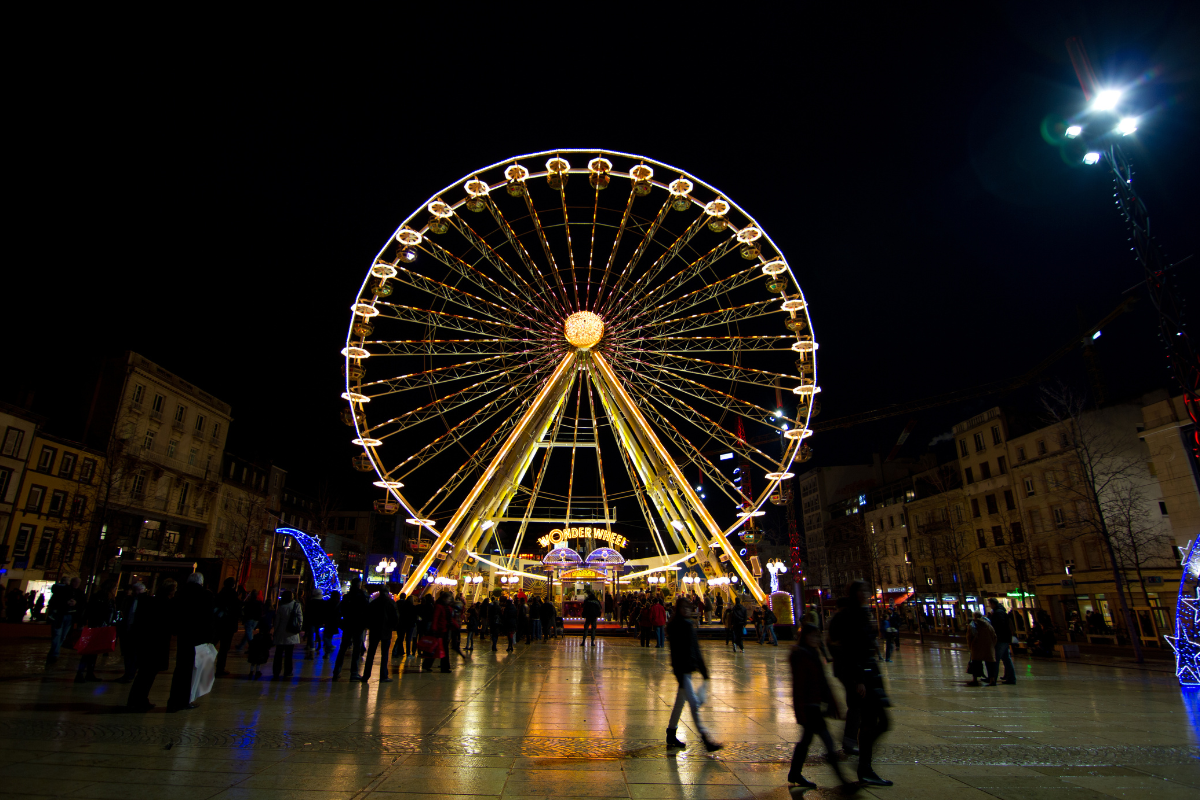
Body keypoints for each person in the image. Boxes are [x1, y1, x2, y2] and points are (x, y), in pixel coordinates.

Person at [828, 580, 892, 787]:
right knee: (878, 721)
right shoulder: (852, 616)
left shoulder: (862, 614)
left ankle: (864, 765)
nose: (867, 593)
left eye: (867, 590)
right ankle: (864, 765)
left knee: (872, 721)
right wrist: (858, 679)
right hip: (863, 675)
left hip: (869, 674)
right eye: (863, 591)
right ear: (855, 594)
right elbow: (851, 649)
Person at [788, 624, 851, 790]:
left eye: (818, 636)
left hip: (815, 705)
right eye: (813, 636)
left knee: (806, 741)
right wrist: (800, 712)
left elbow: (823, 681)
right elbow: (799, 686)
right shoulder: (800, 655)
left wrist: (832, 702)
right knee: (827, 743)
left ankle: (795, 773)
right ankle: (843, 780)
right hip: (809, 707)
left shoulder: (812, 654)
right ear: (805, 637)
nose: (816, 639)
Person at [665, 598, 722, 752]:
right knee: (694, 705)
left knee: (680, 703)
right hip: (682, 670)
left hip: (688, 669)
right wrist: (679, 670)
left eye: (688, 608)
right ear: (678, 609)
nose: (687, 610)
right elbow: (676, 652)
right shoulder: (676, 626)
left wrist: (703, 669)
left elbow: (695, 648)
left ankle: (671, 733)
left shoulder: (688, 626)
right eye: (683, 607)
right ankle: (706, 739)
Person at [167, 573, 216, 712]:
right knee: (193, 670)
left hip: (184, 635)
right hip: (198, 637)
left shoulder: (181, 594)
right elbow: (209, 618)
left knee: (181, 667)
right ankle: (185, 699)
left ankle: (174, 699)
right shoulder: (205, 595)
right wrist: (209, 638)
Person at [126, 579, 177, 711]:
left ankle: (137, 699)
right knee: (147, 674)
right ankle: (138, 700)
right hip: (156, 644)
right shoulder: (165, 604)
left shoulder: (151, 601)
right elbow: (170, 625)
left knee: (144, 674)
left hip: (147, 643)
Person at [75, 579, 118, 683]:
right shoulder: (102, 598)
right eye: (115, 587)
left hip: (99, 626)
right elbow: (93, 611)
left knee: (93, 652)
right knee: (89, 652)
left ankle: (88, 673)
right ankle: (81, 674)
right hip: (96, 626)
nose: (116, 589)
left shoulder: (106, 598)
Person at [332, 578, 368, 680]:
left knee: (343, 648)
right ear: (359, 585)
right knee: (356, 649)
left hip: (348, 624)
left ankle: (336, 671)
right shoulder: (362, 596)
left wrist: (343, 621)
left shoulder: (347, 596)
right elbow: (366, 610)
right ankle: (354, 673)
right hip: (358, 624)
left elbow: (340, 610)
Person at [362, 585, 398, 682]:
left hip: (374, 630)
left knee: (371, 653)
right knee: (385, 654)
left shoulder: (374, 603)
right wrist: (392, 627)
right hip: (386, 630)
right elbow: (395, 617)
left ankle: (366, 675)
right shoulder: (391, 603)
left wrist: (369, 626)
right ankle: (383, 675)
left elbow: (367, 616)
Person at [45, 577, 85, 663]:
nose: (77, 584)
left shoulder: (79, 593)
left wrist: (76, 604)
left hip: (70, 616)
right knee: (57, 634)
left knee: (62, 636)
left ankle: (54, 652)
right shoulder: (63, 590)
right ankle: (54, 654)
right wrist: (65, 603)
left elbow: (82, 605)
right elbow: (55, 601)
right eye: (76, 582)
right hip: (61, 615)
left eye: (78, 582)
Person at [116, 582, 148, 682]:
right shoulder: (129, 600)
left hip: (136, 631)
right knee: (127, 653)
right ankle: (128, 673)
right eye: (136, 590)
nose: (137, 592)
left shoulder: (145, 601)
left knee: (133, 654)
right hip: (128, 629)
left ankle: (130, 673)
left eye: (139, 590)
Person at [273, 590, 303, 679]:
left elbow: (277, 621)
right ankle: (288, 671)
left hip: (281, 631)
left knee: (278, 654)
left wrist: (275, 631)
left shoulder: (281, 606)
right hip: (291, 631)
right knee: (289, 654)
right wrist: (299, 627)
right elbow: (300, 618)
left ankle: (276, 671)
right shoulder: (296, 605)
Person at [214, 577, 241, 676]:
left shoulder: (219, 594)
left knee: (212, 645)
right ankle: (220, 668)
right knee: (224, 649)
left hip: (218, 624)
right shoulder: (234, 596)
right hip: (228, 625)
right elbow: (237, 612)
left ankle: (205, 664)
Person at [423, 590, 454, 673]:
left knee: (441, 649)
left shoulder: (448, 608)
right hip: (438, 631)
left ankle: (430, 665)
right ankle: (442, 667)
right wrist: (434, 629)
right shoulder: (439, 607)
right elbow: (435, 618)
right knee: (436, 648)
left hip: (444, 631)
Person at [988, 599, 1016, 684]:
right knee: (1006, 659)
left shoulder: (998, 613)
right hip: (1005, 638)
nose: (989, 605)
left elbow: (999, 626)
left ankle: (993, 679)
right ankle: (1011, 678)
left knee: (996, 659)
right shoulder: (1001, 611)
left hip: (1001, 639)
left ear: (993, 604)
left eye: (989, 604)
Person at [967, 611, 998, 687]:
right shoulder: (988, 624)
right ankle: (992, 680)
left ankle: (975, 680)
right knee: (990, 664)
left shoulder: (972, 625)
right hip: (988, 646)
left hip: (976, 646)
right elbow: (994, 636)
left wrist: (970, 646)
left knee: (976, 663)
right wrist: (992, 645)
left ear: (974, 617)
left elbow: (969, 636)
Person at [235, 589, 264, 654]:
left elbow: (245, 610)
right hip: (255, 620)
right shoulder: (258, 603)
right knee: (248, 634)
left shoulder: (249, 602)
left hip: (249, 619)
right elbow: (260, 612)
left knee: (249, 634)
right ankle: (240, 646)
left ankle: (252, 647)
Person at [323, 589, 342, 656]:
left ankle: (328, 648)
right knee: (329, 635)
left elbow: (325, 612)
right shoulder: (339, 603)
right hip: (335, 621)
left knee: (326, 636)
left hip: (328, 621)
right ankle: (329, 648)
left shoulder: (328, 602)